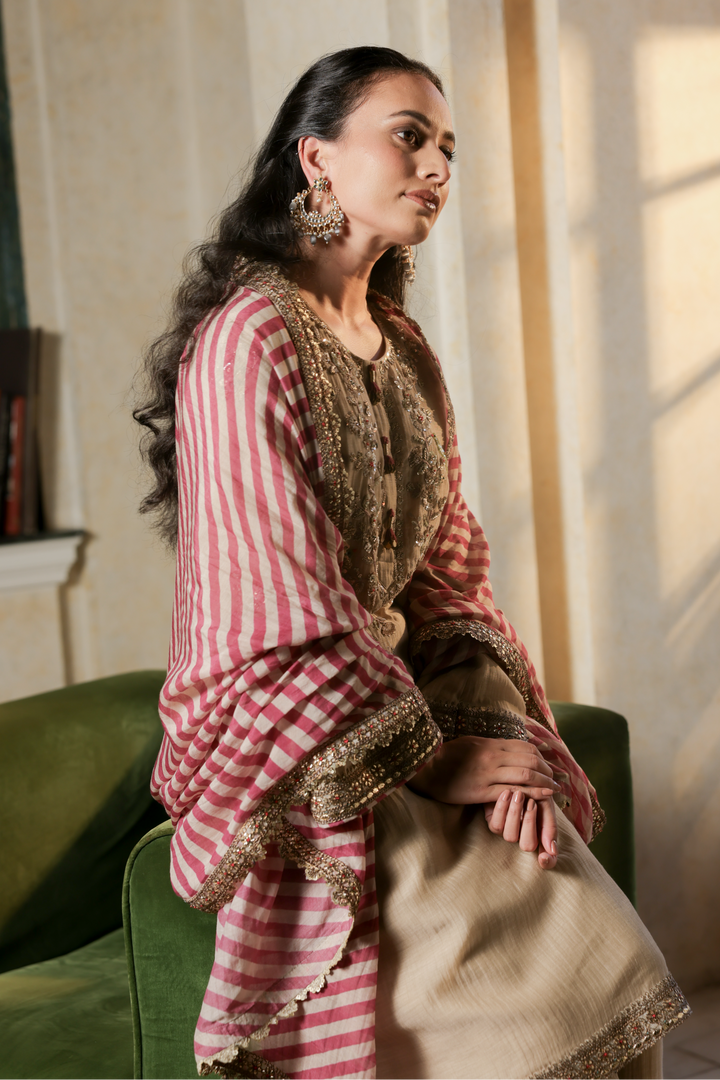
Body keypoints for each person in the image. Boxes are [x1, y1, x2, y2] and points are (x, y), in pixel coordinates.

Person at [134, 46, 688, 1080]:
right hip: (287, 720)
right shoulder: (249, 338)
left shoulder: (403, 345)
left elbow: (446, 571)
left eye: (446, 148)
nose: (435, 165)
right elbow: (283, 604)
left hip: (407, 695)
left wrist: (492, 727)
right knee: (540, 976)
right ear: (317, 161)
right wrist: (439, 762)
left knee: (596, 934)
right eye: (407, 137)